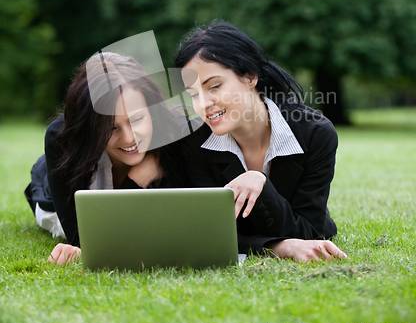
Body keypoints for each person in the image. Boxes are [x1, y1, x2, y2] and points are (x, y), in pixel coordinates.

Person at [175, 22, 347, 263]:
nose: (203, 104)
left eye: (214, 86)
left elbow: (309, 232)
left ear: (250, 76)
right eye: (193, 94)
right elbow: (209, 233)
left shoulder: (315, 134)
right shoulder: (195, 142)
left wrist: (260, 183)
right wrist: (280, 248)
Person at [25, 52, 187, 265]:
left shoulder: (176, 133)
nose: (129, 138)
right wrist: (136, 181)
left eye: (137, 119)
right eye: (110, 128)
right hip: (61, 173)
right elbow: (84, 240)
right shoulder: (62, 141)